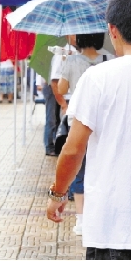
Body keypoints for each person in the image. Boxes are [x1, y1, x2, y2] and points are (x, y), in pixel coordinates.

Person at [46, 0, 131, 259]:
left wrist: (58, 195)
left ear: (113, 30)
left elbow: (73, 149)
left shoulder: (98, 78)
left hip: (113, 223)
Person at [57, 32, 114, 236]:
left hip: (80, 122)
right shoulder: (109, 58)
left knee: (79, 171)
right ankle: (102, 215)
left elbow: (62, 88)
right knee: (103, 168)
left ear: (79, 39)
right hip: (106, 124)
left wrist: (66, 65)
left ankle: (82, 220)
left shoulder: (71, 60)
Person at [36, 74, 57, 157]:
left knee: (54, 119)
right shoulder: (48, 64)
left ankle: (52, 145)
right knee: (51, 119)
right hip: (50, 88)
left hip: (53, 88)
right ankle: (49, 147)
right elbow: (39, 85)